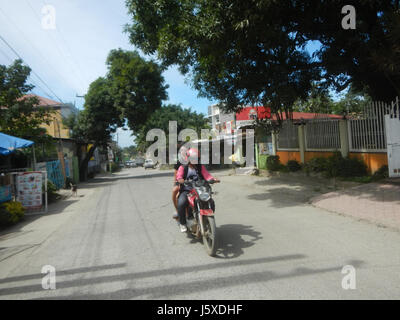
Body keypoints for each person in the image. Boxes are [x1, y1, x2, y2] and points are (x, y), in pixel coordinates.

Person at [176, 148, 220, 232]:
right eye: (192, 158)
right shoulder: (183, 167)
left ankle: (206, 218)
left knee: (210, 201)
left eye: (196, 158)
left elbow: (207, 175)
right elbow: (179, 177)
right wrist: (181, 180)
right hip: (187, 190)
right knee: (181, 203)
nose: (194, 160)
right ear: (188, 159)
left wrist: (212, 179)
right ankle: (183, 223)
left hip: (200, 189)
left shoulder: (200, 167)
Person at [172, 144, 187, 220]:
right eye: (182, 151)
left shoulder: (193, 160)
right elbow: (176, 173)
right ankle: (177, 210)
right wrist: (176, 182)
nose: (183, 152)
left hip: (192, 180)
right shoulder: (178, 162)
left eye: (185, 150)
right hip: (180, 180)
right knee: (175, 191)